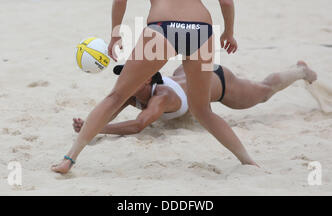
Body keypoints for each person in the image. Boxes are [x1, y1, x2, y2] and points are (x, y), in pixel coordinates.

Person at [52, 0, 240, 174]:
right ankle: (249, 162)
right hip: (201, 30)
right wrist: (229, 33)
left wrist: (116, 33)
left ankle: (68, 159)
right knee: (203, 111)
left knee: (117, 96)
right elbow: (226, 0)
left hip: (163, 29)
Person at [72, 61, 317, 148]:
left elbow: (138, 125)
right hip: (188, 72)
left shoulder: (162, 96)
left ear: (146, 78)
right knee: (259, 91)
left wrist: (96, 129)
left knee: (262, 93)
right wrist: (90, 123)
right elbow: (108, 112)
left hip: (216, 81)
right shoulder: (129, 92)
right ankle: (299, 70)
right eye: (123, 74)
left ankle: (300, 71)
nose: (123, 79)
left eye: (129, 75)